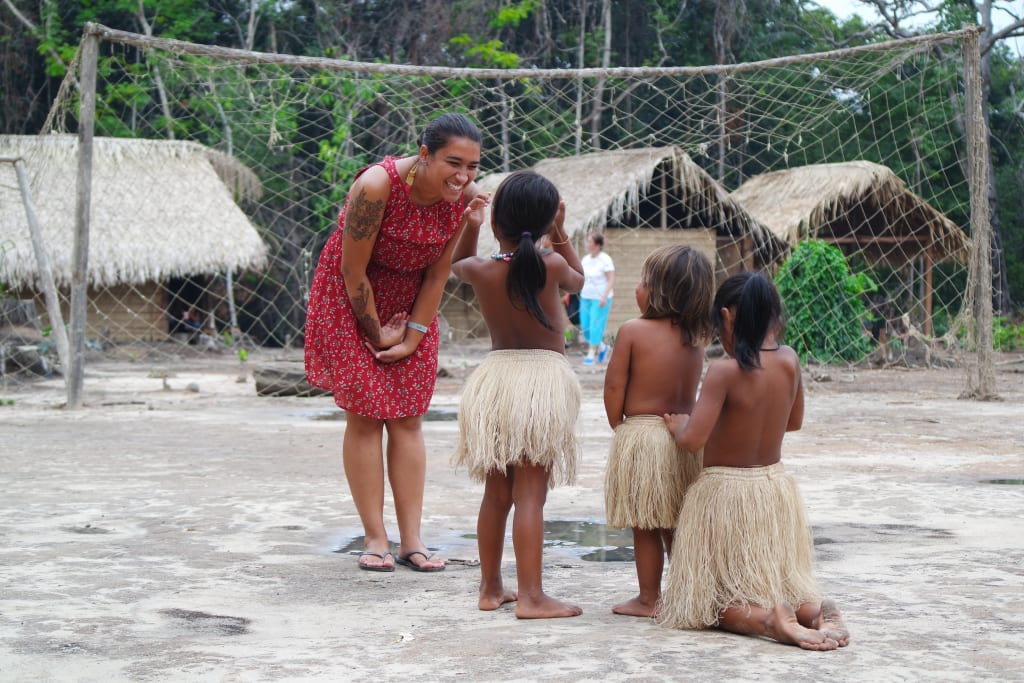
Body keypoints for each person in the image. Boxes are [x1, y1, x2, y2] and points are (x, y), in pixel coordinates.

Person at [304, 112, 490, 573]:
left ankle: (412, 540)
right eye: (453, 163)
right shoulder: (376, 186)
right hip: (352, 299)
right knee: (366, 415)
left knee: (408, 418)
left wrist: (411, 338)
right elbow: (351, 270)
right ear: (424, 154)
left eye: (472, 166)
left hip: (412, 305)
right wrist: (376, 332)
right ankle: (375, 537)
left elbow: (438, 274)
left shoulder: (462, 197)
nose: (463, 176)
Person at [658, 272, 850, 650]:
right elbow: (794, 422)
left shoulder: (724, 372)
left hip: (726, 495)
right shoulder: (790, 360)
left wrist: (679, 427)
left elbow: (693, 440)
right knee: (774, 582)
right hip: (773, 489)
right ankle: (814, 612)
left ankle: (769, 621)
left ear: (727, 317)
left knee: (707, 601)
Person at [450, 170, 585, 618]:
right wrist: (560, 232)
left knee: (496, 494)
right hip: (541, 385)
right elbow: (580, 282)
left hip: (495, 382)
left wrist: (470, 225)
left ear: (495, 224)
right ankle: (531, 596)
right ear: (546, 223)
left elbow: (457, 263)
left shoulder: (482, 270)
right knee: (530, 495)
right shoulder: (553, 265)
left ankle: (490, 589)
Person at [602, 245, 713, 617]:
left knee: (646, 522)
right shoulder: (696, 340)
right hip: (681, 436)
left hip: (644, 436)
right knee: (676, 522)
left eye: (644, 282)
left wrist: (617, 422)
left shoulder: (633, 331)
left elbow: (614, 385)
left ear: (660, 292)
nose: (637, 287)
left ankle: (649, 598)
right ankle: (687, 592)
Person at [579, 232, 615, 364]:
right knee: (585, 327)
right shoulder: (585, 259)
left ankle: (591, 354)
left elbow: (611, 279)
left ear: (597, 245)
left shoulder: (605, 259)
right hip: (585, 296)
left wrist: (604, 296)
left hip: (600, 298)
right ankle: (603, 348)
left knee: (595, 326)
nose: (587, 244)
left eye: (590, 241)